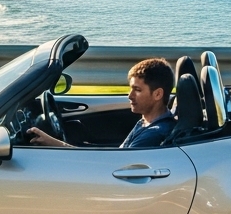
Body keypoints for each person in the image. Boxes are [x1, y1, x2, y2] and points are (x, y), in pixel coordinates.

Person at [27, 58, 177, 148]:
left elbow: (113, 163)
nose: (129, 96)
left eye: (137, 90)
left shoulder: (154, 133)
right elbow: (116, 155)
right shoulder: (146, 123)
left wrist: (55, 143)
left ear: (158, 94)